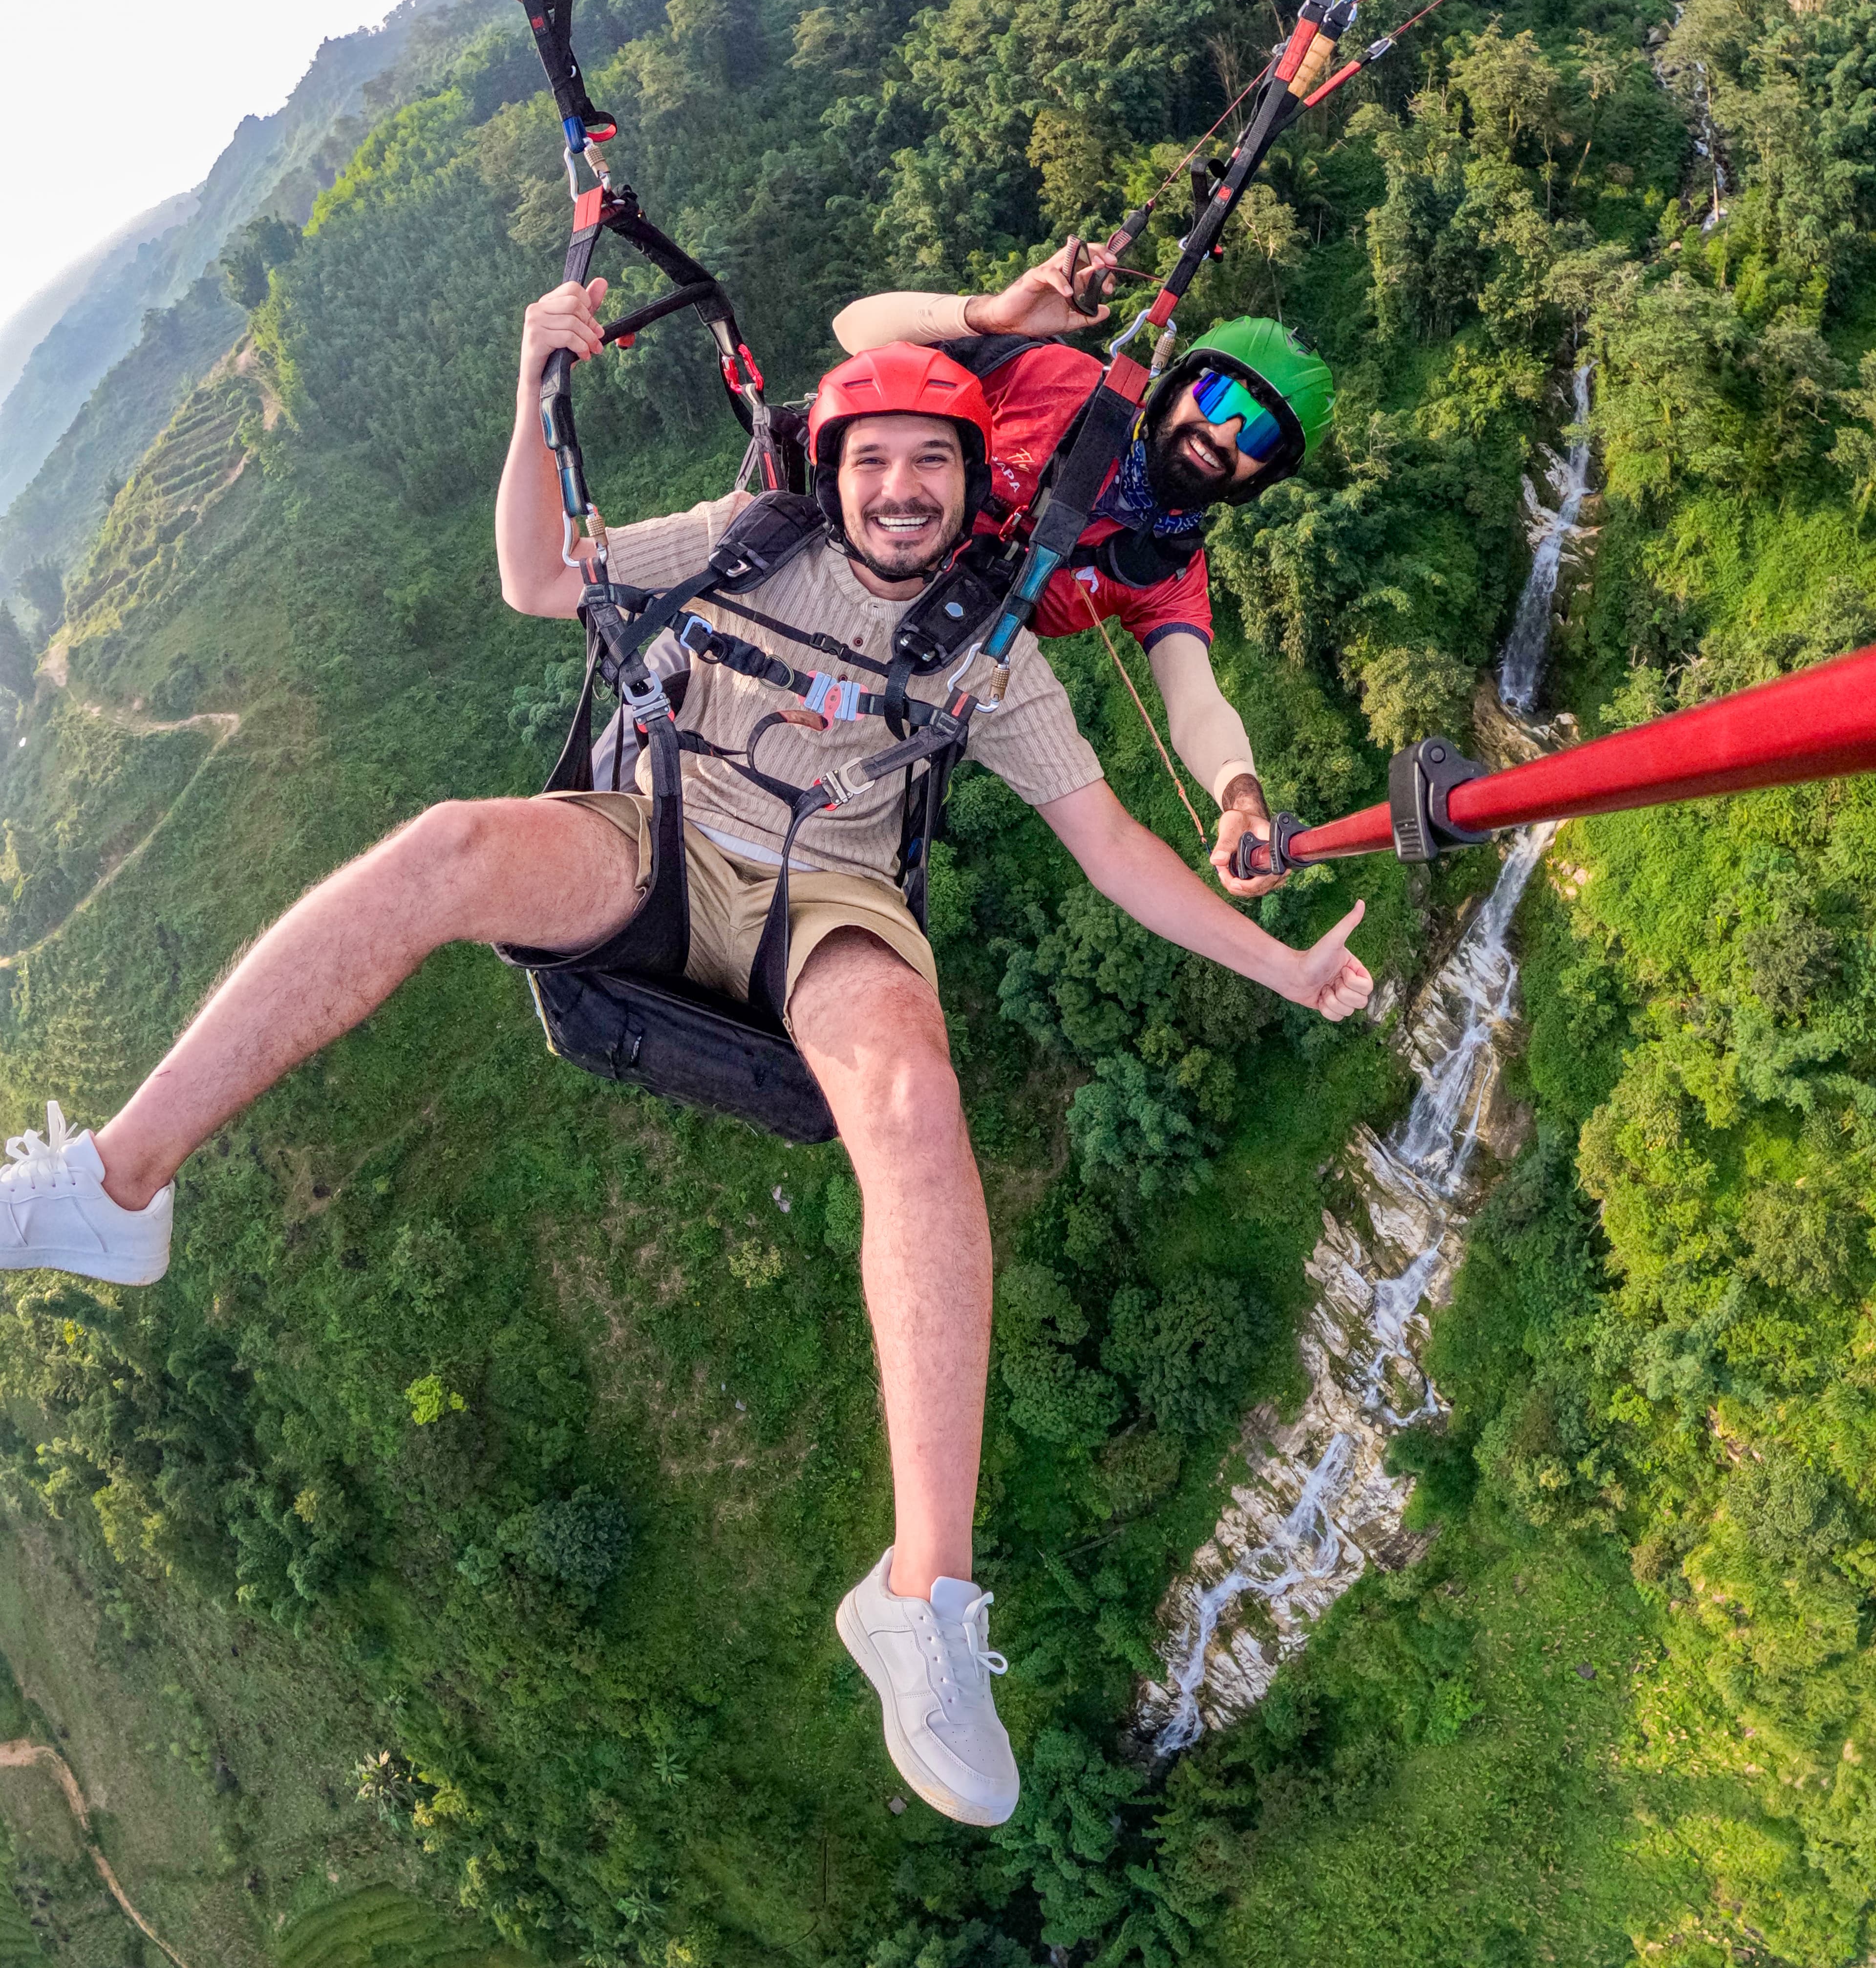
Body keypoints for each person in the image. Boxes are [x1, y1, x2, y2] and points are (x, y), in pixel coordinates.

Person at [0, 278, 1372, 1831]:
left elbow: (1118, 844)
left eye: (938, 467)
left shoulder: (997, 651)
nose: (905, 489)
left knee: (915, 1100)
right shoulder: (739, 536)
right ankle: (115, 1187)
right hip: (653, 832)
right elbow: (537, 577)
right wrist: (537, 378)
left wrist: (1280, 961)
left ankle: (923, 1593)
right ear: (831, 462)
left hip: (832, 899)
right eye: (877, 461)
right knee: (445, 845)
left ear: (975, 486)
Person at [832, 239, 1334, 899]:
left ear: (1260, 477)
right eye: (1216, 398)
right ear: (1177, 385)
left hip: (911, 678)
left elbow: (1196, 703)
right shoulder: (1055, 383)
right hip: (839, 574)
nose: (1227, 433)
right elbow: (855, 332)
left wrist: (1239, 793)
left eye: (1261, 437)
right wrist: (991, 316)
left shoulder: (1165, 568)